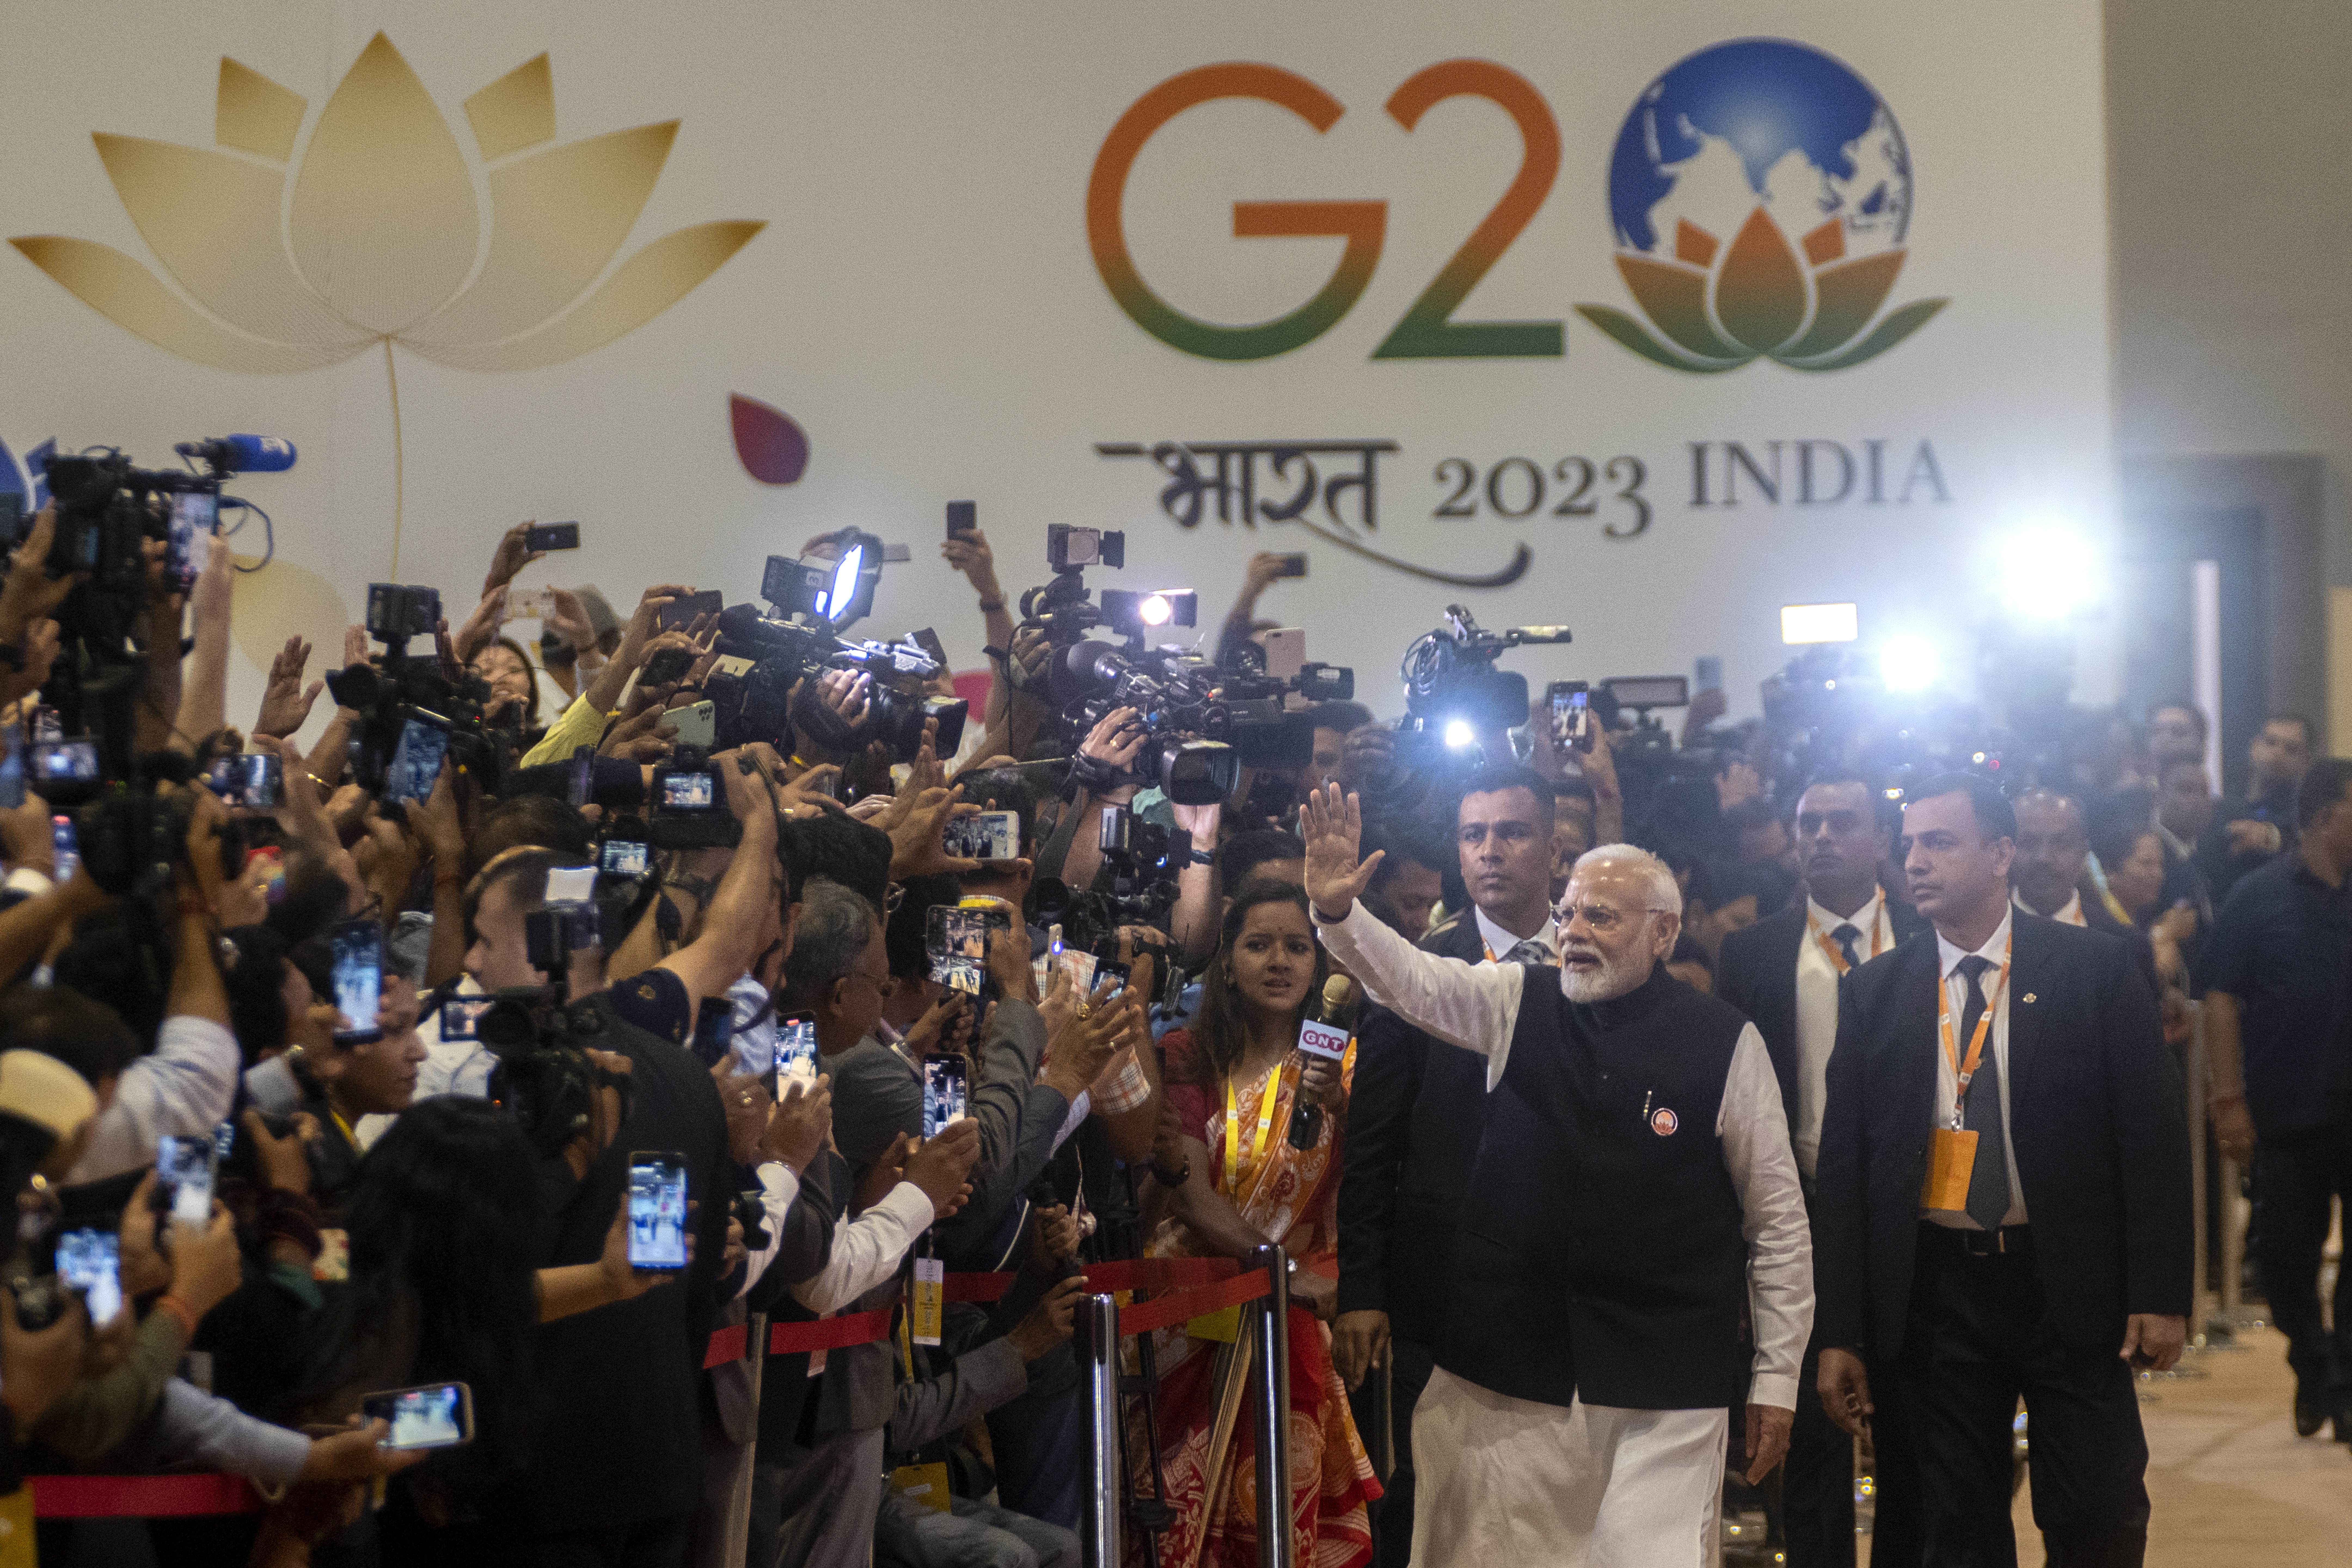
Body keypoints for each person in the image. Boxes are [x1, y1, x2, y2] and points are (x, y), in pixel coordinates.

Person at [1304, 786, 1810, 1568]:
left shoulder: (1725, 1042)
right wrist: (1341, 917)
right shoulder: (1516, 999)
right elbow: (1412, 983)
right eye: (1570, 914)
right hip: (1505, 1374)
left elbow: (1776, 1223)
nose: (1573, 933)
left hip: (1665, 1383)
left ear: (1664, 932)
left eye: (1601, 918)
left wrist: (1777, 1378)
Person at [1812, 773, 2192, 1566]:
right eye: (1910, 845)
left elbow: (2151, 1144)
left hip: (2070, 1283)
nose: (1916, 861)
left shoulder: (2096, 969)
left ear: (2001, 854)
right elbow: (1847, 1177)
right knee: (1957, 1524)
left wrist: (2160, 1295)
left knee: (2094, 1508)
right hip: (1939, 1293)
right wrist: (1842, 1329)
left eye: (1940, 843)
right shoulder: (1875, 993)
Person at [1335, 764, 1560, 1566]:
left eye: (1512, 832)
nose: (1490, 851)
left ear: (1555, 848)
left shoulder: (1599, 954)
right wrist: (1362, 1287)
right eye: (1474, 835)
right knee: (1425, 1499)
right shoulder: (1414, 966)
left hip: (1568, 1282)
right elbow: (1372, 1143)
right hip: (1440, 1287)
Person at [1714, 774, 1927, 1568]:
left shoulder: (1923, 935)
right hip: (1795, 1201)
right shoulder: (1752, 951)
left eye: (1846, 823)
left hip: (1909, 1204)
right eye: (1810, 823)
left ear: (1882, 839)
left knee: (1908, 1416)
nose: (1825, 837)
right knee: (1802, 1423)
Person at [1136, 882, 1381, 1568]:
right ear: (1226, 960)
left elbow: (1375, 1183)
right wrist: (1282, 1270)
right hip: (1188, 1310)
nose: (1280, 961)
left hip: (1295, 1317)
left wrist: (1346, 1108)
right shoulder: (1186, 1052)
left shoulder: (1349, 1064)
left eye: (1298, 946)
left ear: (1321, 964)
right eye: (1259, 943)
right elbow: (1186, 1189)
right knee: (1174, 1514)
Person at [2200, 755, 2352, 1441]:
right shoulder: (2256, 897)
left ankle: (2346, 1380)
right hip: (2286, 1111)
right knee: (2285, 1253)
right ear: (2325, 816)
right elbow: (2221, 996)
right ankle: (2309, 1352)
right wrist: (2227, 1096)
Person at [2009, 788, 2161, 995]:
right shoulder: (1977, 936)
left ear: (2083, 853)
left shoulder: (2126, 946)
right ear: (2004, 851)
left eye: (2061, 843)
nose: (2043, 858)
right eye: (2028, 843)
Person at [2196, 713, 2315, 904]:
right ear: (2254, 747)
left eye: (2291, 749)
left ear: (2306, 762)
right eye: (2271, 743)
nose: (2279, 753)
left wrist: (2271, 837)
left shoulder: (2311, 817)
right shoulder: (2220, 808)